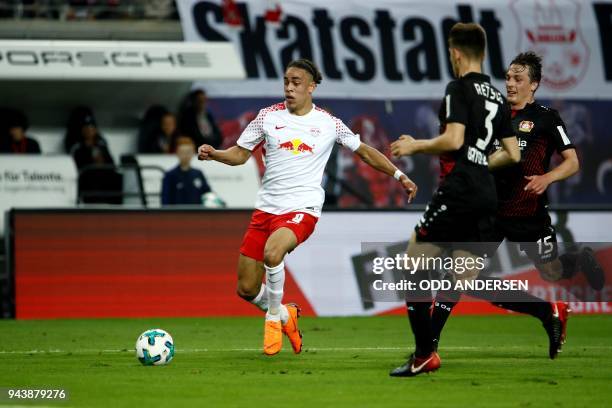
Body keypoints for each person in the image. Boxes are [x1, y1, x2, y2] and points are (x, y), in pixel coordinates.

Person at [197, 58, 417, 356]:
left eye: (296, 82)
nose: (289, 87)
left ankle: (273, 319)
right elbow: (239, 154)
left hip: (303, 208)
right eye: (286, 81)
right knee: (246, 288)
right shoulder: (267, 117)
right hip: (266, 210)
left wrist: (399, 175)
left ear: (311, 87)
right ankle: (287, 315)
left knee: (274, 253)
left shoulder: (328, 123)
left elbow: (364, 152)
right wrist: (215, 154)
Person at [429, 52, 604, 355]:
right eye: (508, 77)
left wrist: (548, 178)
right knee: (461, 274)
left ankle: (578, 262)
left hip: (528, 212)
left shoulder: (546, 118)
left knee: (550, 271)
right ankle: (426, 348)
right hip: (490, 212)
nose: (510, 83)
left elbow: (573, 161)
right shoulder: (492, 114)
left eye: (518, 78)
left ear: (533, 84)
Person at [388, 23, 521, 377]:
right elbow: (512, 153)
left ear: (456, 53)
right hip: (486, 194)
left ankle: (423, 354)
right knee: (456, 274)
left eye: (450, 53)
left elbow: (452, 139)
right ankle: (428, 347)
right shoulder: (495, 95)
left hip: (459, 189)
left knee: (412, 266)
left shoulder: (458, 88)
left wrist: (414, 145)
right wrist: (481, 163)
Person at [161, 137, 211, 205]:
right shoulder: (170, 175)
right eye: (183, 152)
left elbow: (208, 195)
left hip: (197, 213)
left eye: (188, 152)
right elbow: (165, 200)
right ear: (177, 153)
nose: (186, 155)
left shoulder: (198, 173)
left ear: (193, 153)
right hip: (177, 214)